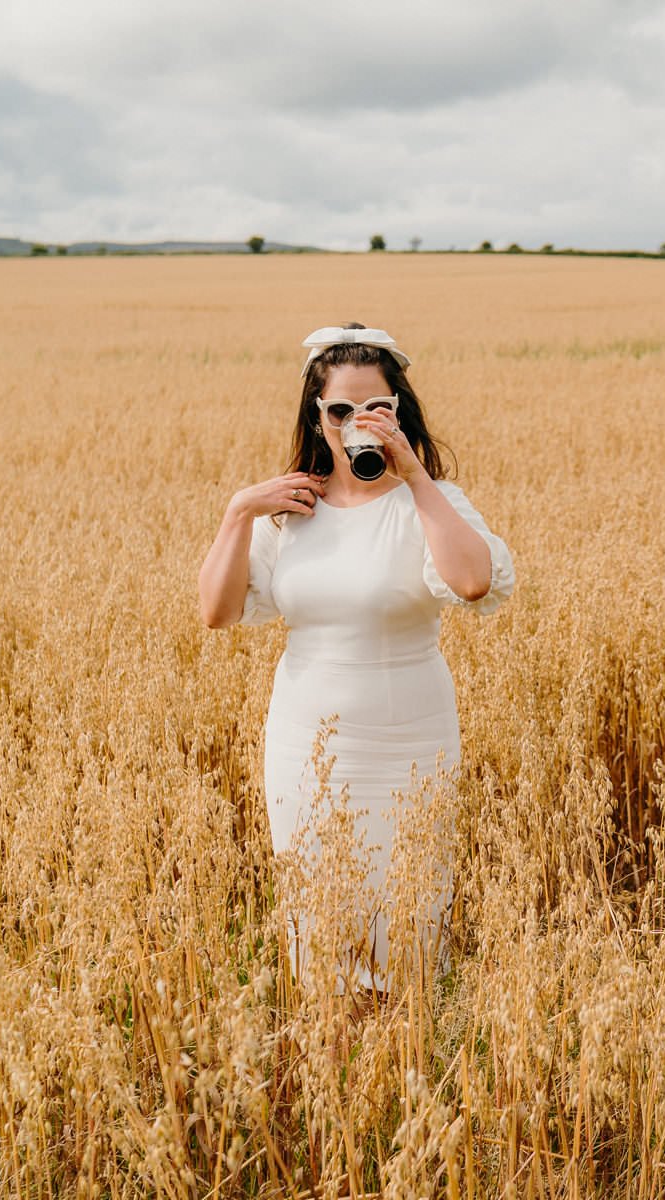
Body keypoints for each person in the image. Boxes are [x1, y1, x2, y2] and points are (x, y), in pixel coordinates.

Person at [198, 323, 513, 992]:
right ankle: (335, 1067)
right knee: (318, 924)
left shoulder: (431, 502)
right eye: (339, 410)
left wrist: (414, 474)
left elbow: (473, 582)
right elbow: (216, 612)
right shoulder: (291, 512)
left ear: (398, 409)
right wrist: (237, 513)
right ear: (319, 414)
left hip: (410, 742)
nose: (354, 424)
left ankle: (406, 1056)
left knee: (409, 921)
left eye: (374, 409)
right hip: (303, 745)